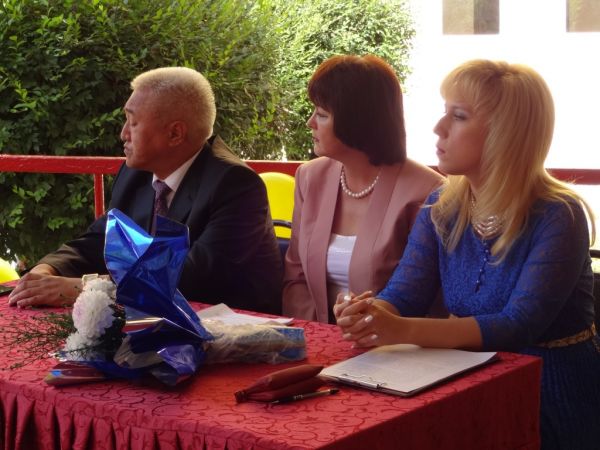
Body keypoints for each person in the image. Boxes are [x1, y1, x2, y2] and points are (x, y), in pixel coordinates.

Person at [335, 59, 599, 449]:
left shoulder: (559, 213)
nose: (438, 128)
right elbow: (404, 294)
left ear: (505, 134)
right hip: (467, 378)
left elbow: (518, 325)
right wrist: (369, 315)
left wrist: (399, 329)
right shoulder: (442, 204)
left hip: (551, 393)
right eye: (445, 112)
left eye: (458, 116)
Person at [8, 67, 283, 315]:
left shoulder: (235, 185)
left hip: (231, 330)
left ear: (175, 134)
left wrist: (84, 287)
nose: (123, 134)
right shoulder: (136, 173)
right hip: (150, 319)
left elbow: (191, 277)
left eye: (133, 122)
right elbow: (101, 239)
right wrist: (48, 269)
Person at [283, 55, 443, 323]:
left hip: (390, 343)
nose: (310, 122)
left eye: (322, 114)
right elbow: (295, 276)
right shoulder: (310, 176)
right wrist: (311, 335)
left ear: (356, 121)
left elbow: (423, 296)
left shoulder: (427, 192)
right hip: (315, 337)